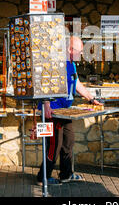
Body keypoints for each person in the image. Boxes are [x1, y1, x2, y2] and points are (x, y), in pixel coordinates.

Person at [36, 36, 102, 185]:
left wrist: (91, 98)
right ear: (69, 49)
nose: (81, 54)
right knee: (54, 144)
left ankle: (66, 174)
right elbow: (43, 81)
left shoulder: (72, 64)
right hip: (52, 111)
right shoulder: (55, 62)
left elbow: (77, 83)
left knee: (68, 141)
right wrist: (46, 103)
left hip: (65, 111)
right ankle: (43, 177)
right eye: (78, 51)